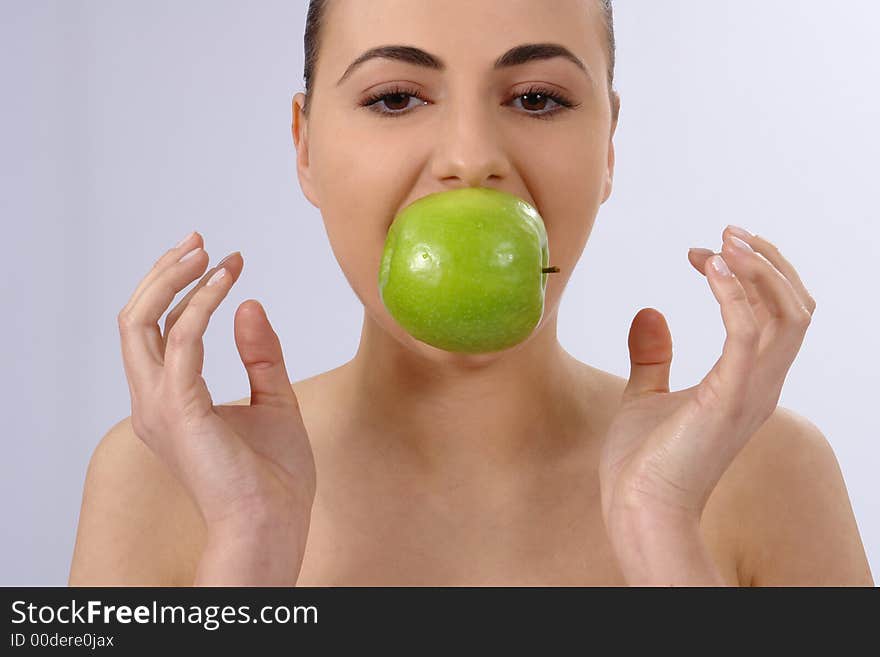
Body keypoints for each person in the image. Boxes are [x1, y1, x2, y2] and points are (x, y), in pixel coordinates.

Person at [69, 0, 873, 586]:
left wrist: (663, 531)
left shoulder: (768, 475)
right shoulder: (156, 482)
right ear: (305, 143)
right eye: (395, 97)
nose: (469, 156)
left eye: (537, 98)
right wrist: (245, 554)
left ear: (609, 149)